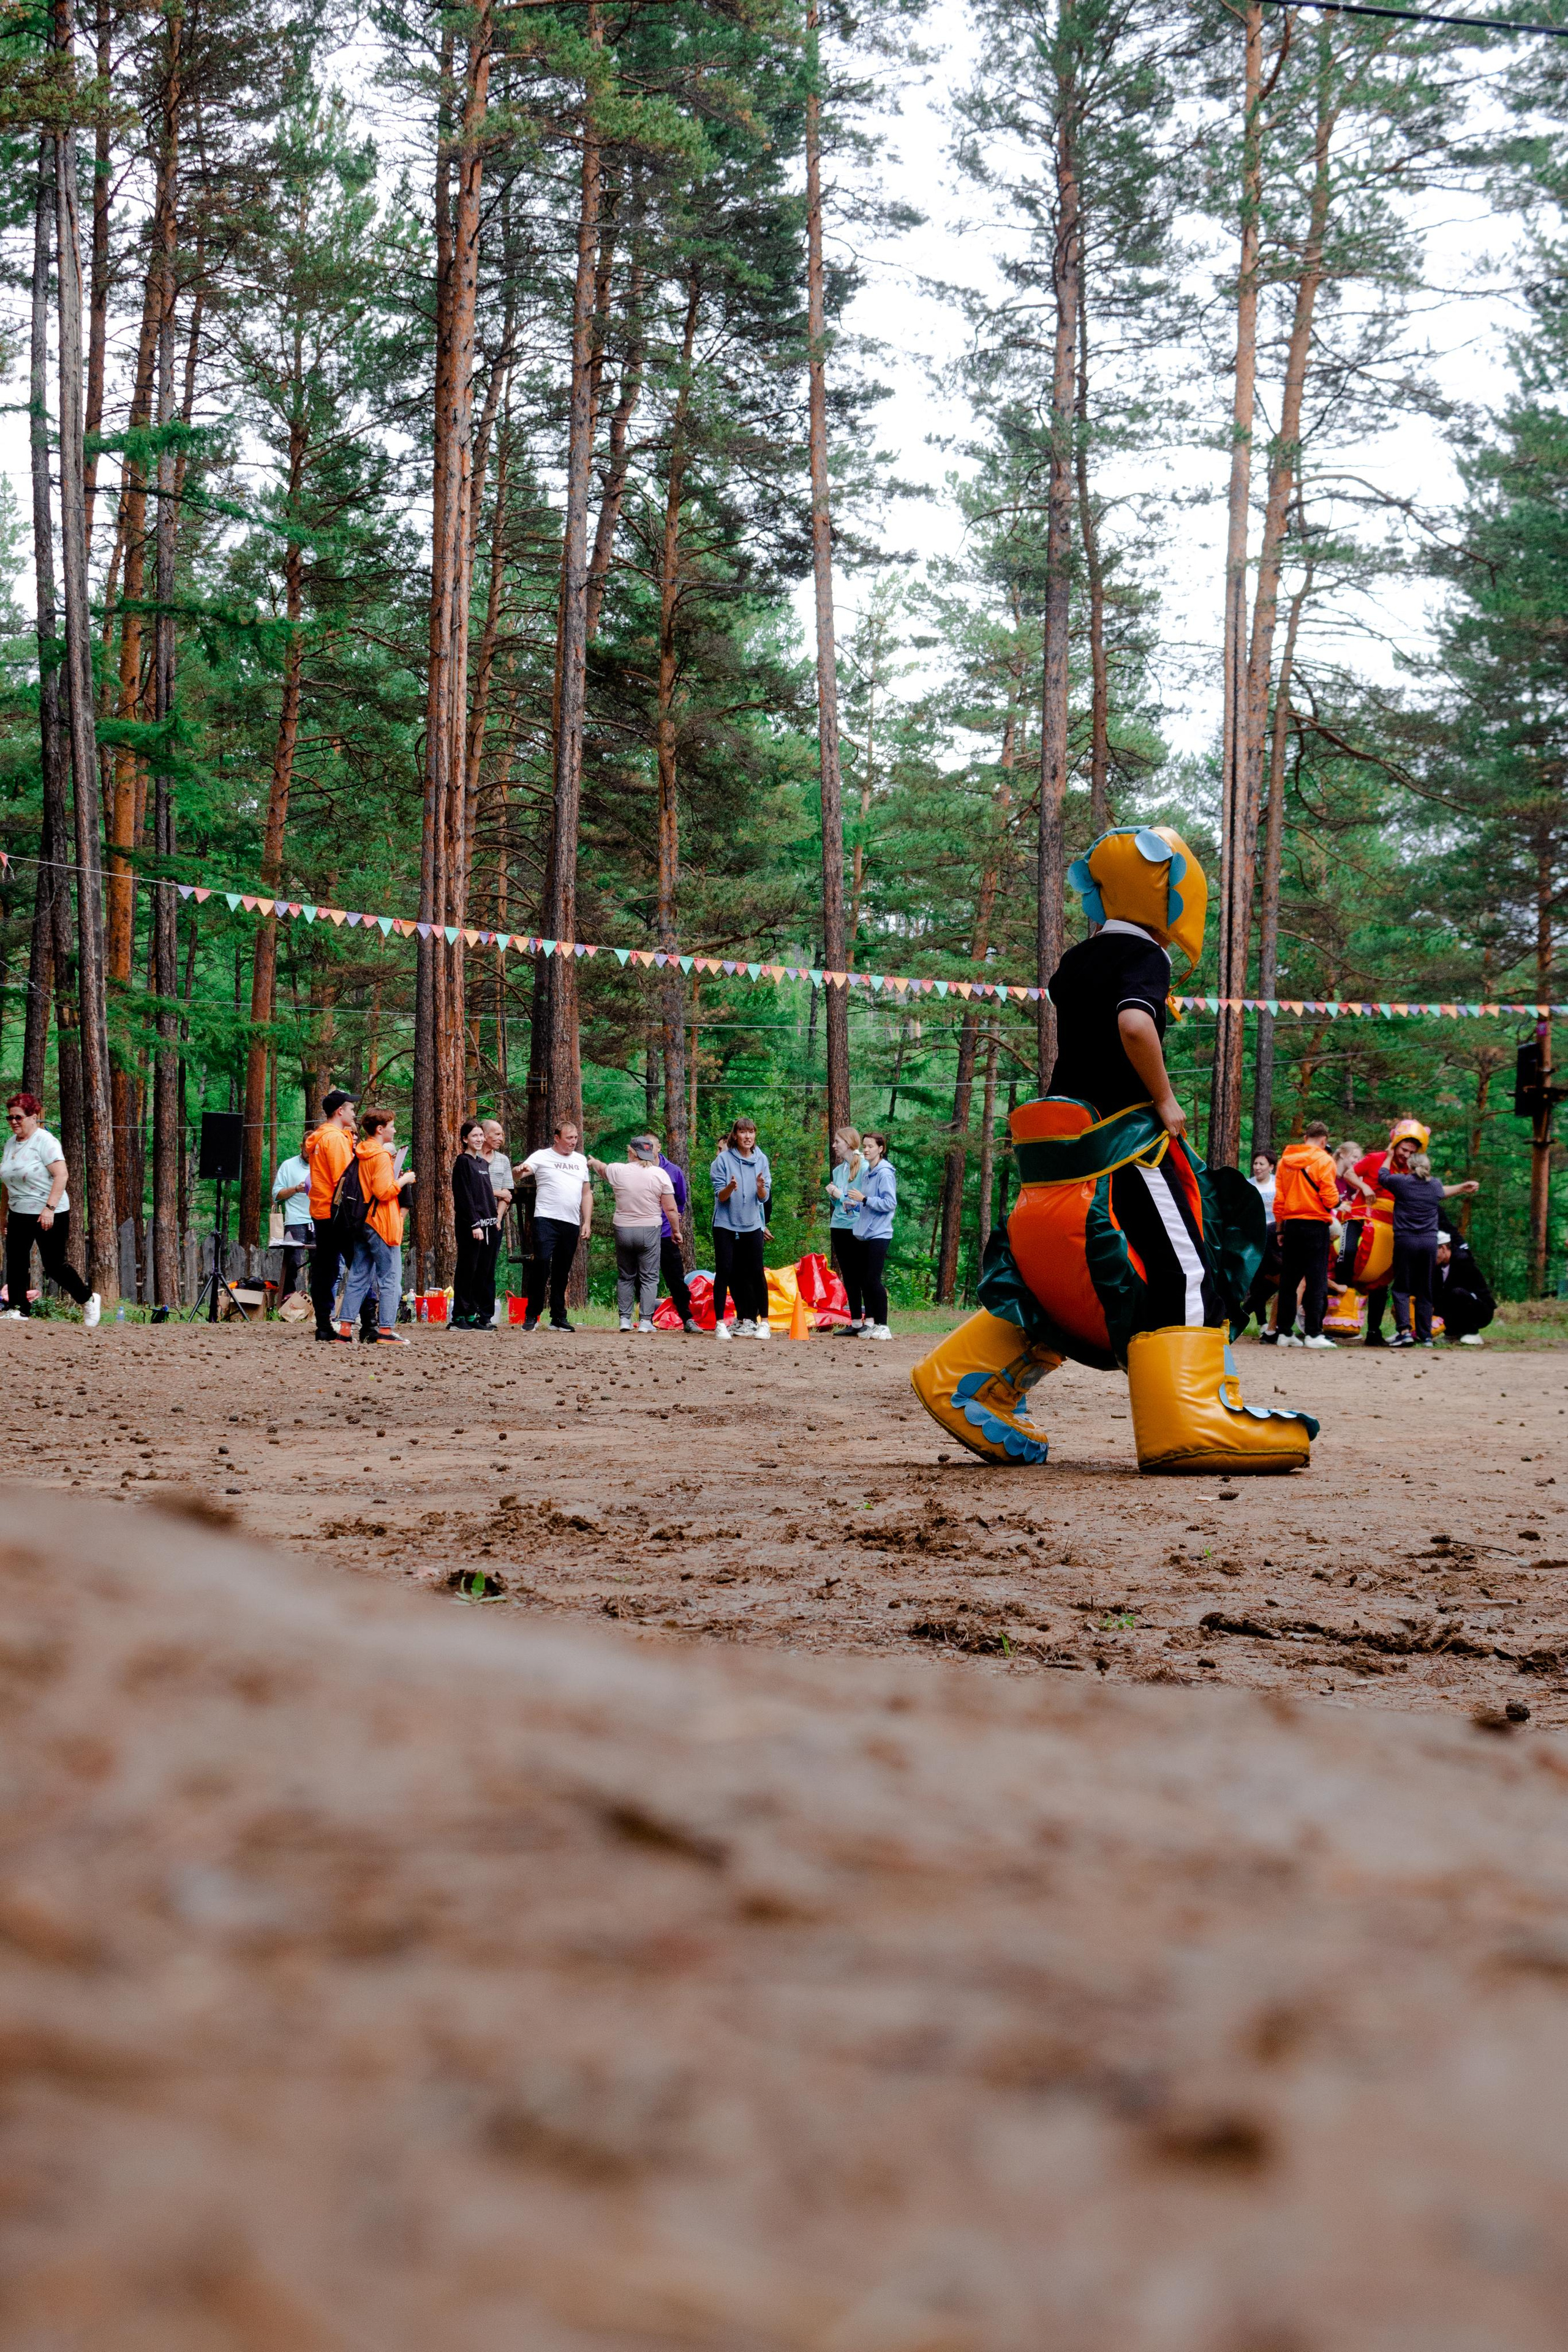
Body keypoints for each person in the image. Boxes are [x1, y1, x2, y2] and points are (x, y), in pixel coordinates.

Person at [910, 824, 1315, 1474]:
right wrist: (1165, 1099)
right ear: (1173, 895)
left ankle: (966, 1382)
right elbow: (1132, 1024)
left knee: (1054, 1278)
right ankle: (1190, 1419)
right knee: (1184, 1268)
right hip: (1125, 1147)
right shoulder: (1145, 959)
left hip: (1057, 1156)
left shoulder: (1076, 960)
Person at [1, 1092, 100, 1325]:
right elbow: (6, 1182)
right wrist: (3, 1215)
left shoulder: (46, 1142)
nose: (14, 1122)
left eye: (19, 1117)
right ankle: (19, 1310)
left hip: (48, 1212)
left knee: (54, 1265)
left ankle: (88, 1300)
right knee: (16, 1262)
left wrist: (49, 1209)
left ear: (33, 1117)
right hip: (18, 1212)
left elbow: (62, 1175)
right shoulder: (10, 1144)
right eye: (10, 1118)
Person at [1382, 1152, 1480, 1348]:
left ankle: (1405, 1333)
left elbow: (1382, 1176)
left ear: (1409, 1166)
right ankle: (1426, 1336)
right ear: (1428, 1167)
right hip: (1429, 1243)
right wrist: (1463, 1187)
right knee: (1424, 1288)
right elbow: (1444, 1191)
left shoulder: (1401, 1182)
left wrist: (1389, 1155)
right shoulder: (1434, 1185)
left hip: (1406, 1241)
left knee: (1402, 1288)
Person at [338, 1107, 415, 1346]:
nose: (394, 1129)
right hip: (382, 1222)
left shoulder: (361, 1153)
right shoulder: (380, 1156)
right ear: (380, 1129)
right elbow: (383, 1192)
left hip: (363, 1222)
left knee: (359, 1276)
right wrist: (404, 1180)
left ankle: (344, 1330)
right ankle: (385, 1331)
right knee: (391, 1278)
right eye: (391, 1126)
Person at [588, 1135, 679, 1332]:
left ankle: (625, 1320)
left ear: (631, 1153)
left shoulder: (618, 1170)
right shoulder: (659, 1174)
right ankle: (646, 1322)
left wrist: (593, 1162)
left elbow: (602, 1169)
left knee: (626, 1276)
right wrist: (676, 1231)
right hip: (649, 1230)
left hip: (623, 1230)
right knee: (649, 1277)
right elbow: (671, 1209)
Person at [304, 1088, 372, 1344]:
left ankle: (324, 1324)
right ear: (340, 1111)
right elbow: (345, 1178)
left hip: (324, 1212)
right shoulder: (333, 1139)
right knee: (359, 1265)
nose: (355, 1112)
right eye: (351, 1108)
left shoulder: (330, 1137)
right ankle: (370, 1324)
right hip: (338, 1213)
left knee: (327, 1268)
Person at [1351, 1121, 1425, 1346]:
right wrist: (1364, 1187)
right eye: (1404, 1150)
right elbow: (1348, 1173)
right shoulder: (1375, 1158)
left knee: (1382, 1280)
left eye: (1412, 1152)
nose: (1406, 1155)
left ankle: (1374, 1331)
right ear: (1395, 1145)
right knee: (1347, 1262)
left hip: (1392, 1230)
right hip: (1362, 1221)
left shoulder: (1411, 1170)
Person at [515, 1121, 592, 1332]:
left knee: (562, 1270)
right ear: (557, 1138)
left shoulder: (580, 1160)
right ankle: (532, 1314)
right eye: (569, 1138)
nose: (573, 1142)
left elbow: (586, 1193)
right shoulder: (542, 1156)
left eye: (576, 1138)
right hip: (546, 1218)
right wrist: (518, 1170)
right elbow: (521, 1174)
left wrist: (587, 1222)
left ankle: (558, 1316)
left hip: (570, 1222)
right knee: (541, 1263)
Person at [1273, 1121, 1341, 1349]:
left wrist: (1280, 1230)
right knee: (1316, 1280)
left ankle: (1284, 1333)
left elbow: (1279, 1200)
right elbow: (1330, 1198)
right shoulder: (1324, 1160)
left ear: (1305, 1138)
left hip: (1291, 1225)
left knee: (1289, 1281)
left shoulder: (1284, 1162)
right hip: (1315, 1225)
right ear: (1323, 1140)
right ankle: (1313, 1334)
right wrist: (1338, 1203)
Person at [710, 1115, 772, 1340]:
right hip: (725, 1223)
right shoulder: (723, 1161)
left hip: (752, 1223)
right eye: (743, 1132)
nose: (748, 1136)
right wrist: (730, 1187)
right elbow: (721, 1196)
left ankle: (764, 1323)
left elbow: (763, 1198)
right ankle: (720, 1323)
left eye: (751, 1132)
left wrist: (761, 1188)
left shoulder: (761, 1159)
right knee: (725, 1270)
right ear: (735, 1136)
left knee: (757, 1271)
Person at [845, 1131, 897, 1339]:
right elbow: (868, 1204)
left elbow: (890, 1203)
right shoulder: (868, 1173)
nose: (866, 1150)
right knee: (866, 1281)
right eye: (864, 1146)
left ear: (881, 1149)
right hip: (866, 1233)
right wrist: (855, 1206)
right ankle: (874, 1325)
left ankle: (884, 1326)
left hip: (880, 1234)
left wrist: (864, 1199)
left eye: (870, 1147)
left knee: (873, 1280)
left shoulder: (885, 1173)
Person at [451, 1120, 500, 1330]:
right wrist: (474, 1224)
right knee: (467, 1269)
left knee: (482, 1271)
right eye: (474, 1136)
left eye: (481, 1136)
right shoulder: (463, 1162)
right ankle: (459, 1316)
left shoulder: (482, 1164)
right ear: (465, 1139)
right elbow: (464, 1196)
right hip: (471, 1225)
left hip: (489, 1225)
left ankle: (473, 1314)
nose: (479, 1140)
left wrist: (494, 1219)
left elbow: (486, 1195)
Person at [826, 1126, 867, 1336]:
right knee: (849, 1276)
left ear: (850, 1143)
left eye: (837, 1142)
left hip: (858, 1227)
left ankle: (870, 1320)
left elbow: (859, 1202)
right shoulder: (838, 1170)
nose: (834, 1146)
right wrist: (833, 1196)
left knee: (863, 1275)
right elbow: (839, 1204)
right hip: (839, 1226)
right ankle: (855, 1322)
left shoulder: (865, 1167)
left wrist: (840, 1196)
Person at [654, 1136, 696, 1330]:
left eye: (651, 1145)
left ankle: (688, 1318)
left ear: (659, 1147)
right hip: (644, 1232)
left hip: (666, 1234)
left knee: (676, 1278)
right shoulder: (636, 1170)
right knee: (643, 1277)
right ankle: (643, 1319)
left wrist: (674, 1225)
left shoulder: (674, 1171)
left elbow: (680, 1202)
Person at [1434, 1221, 1495, 1347]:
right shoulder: (1436, 1267)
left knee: (1457, 1294)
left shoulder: (1463, 1262)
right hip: (1455, 1303)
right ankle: (1451, 1334)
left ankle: (1472, 1333)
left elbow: (1463, 1293)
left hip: (1480, 1309)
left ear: (1444, 1248)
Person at [271, 1131, 314, 1301]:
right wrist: (296, 1189)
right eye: (307, 1150)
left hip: (318, 1219)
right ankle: (288, 1299)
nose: (310, 1154)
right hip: (295, 1220)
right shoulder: (288, 1165)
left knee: (320, 1263)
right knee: (293, 1262)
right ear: (301, 1146)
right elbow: (277, 1194)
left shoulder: (324, 1164)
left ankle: (317, 1303)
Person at [481, 1120, 514, 1321]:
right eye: (497, 1134)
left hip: (495, 1220)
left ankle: (486, 1314)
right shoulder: (471, 1159)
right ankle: (468, 1311)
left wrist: (499, 1217)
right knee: (473, 1266)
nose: (501, 1138)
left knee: (489, 1267)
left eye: (502, 1134)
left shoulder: (503, 1160)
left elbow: (508, 1195)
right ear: (484, 1135)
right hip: (474, 1220)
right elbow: (474, 1190)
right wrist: (494, 1191)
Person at [1247, 1149, 1281, 1341]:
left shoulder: (1278, 1184)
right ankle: (1262, 1323)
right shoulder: (1247, 1186)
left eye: (1261, 1164)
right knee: (1257, 1281)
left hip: (1276, 1238)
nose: (1257, 1168)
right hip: (1255, 1239)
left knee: (1274, 1280)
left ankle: (1266, 1323)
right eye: (1256, 1164)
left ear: (1271, 1167)